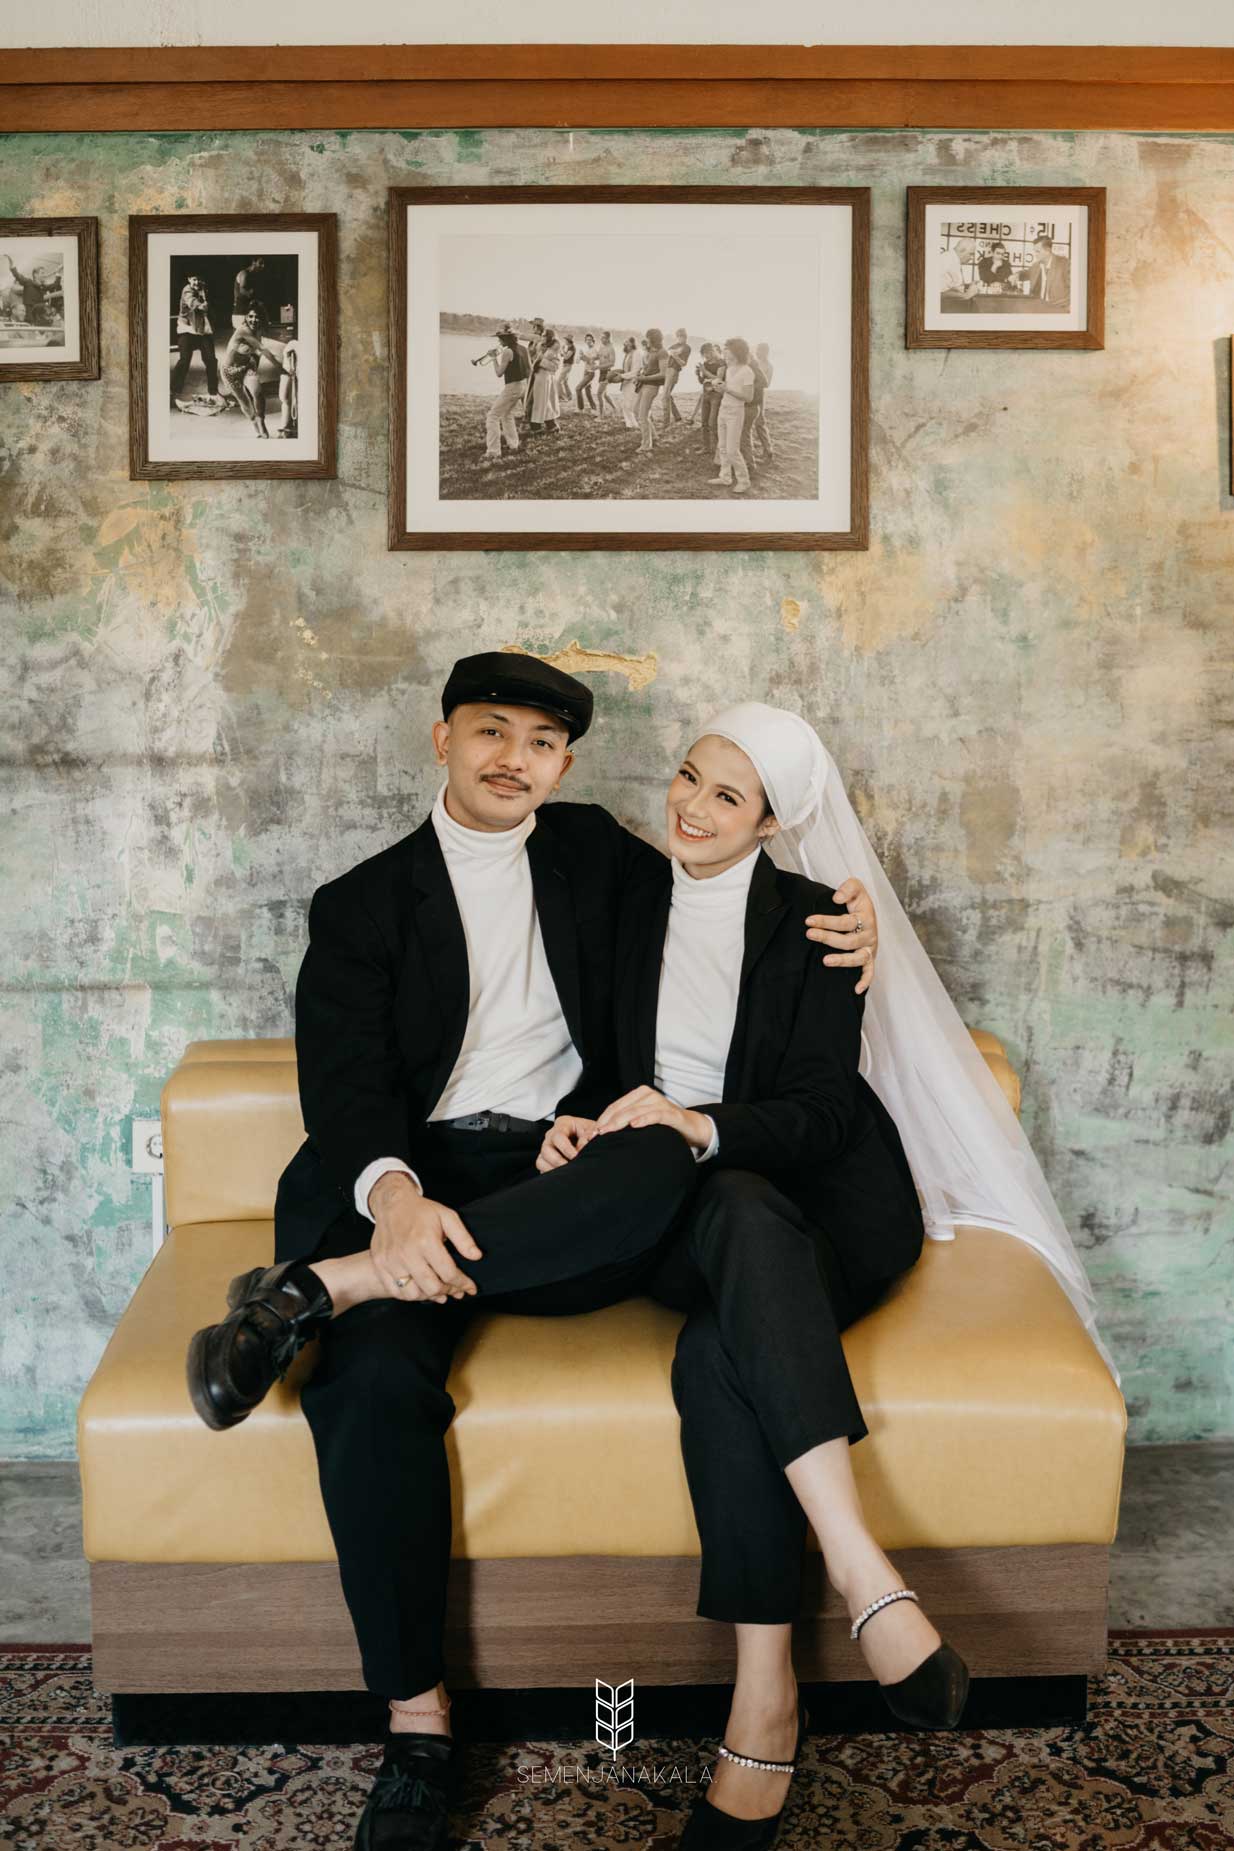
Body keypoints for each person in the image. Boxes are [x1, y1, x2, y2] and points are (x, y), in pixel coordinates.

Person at [184, 657, 883, 1851]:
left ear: (564, 765)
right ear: (442, 739)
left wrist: (846, 919)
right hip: (405, 1175)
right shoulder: (359, 905)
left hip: (565, 1181)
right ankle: (417, 1728)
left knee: (659, 1153)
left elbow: (731, 889)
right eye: (490, 731)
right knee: (367, 1380)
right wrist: (394, 1199)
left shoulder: (598, 854)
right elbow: (345, 1094)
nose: (515, 759)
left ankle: (310, 1295)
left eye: (543, 742)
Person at [545, 701, 1118, 1844]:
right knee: (725, 1235)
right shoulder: (623, 893)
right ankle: (870, 1587)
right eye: (688, 776)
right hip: (680, 1211)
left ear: (771, 824)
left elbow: (815, 1113)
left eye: (727, 797)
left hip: (822, 1205)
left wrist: (698, 1124)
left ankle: (767, 1699)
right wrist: (579, 1120)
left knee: (721, 1340)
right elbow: (602, 1056)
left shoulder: (818, 921)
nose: (691, 807)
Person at [220, 308, 288, 437]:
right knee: (244, 400)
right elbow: (263, 349)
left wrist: (255, 368)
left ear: (262, 319)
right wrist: (280, 368)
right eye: (250, 316)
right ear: (246, 317)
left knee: (258, 392)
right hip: (230, 371)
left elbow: (259, 352)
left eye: (257, 317)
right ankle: (255, 423)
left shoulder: (258, 330)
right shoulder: (243, 330)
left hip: (247, 366)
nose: (253, 320)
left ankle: (261, 420)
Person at [713, 335, 755, 493]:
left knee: (732, 450)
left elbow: (748, 397)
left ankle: (744, 481)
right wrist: (719, 387)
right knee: (722, 447)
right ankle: (725, 477)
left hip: (736, 412)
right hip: (723, 409)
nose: (725, 353)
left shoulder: (747, 371)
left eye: (728, 350)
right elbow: (728, 390)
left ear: (737, 352)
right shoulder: (729, 368)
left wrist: (727, 389)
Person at [170, 273, 219, 406]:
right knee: (184, 360)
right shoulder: (187, 290)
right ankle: (174, 391)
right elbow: (191, 301)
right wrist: (200, 305)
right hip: (187, 330)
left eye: (199, 279)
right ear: (189, 279)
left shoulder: (203, 289)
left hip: (202, 330)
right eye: (194, 279)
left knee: (211, 360)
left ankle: (213, 392)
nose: (197, 282)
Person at [481, 326, 529, 462]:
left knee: (492, 416)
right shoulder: (523, 348)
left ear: (505, 339)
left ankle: (493, 451)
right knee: (507, 414)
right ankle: (513, 444)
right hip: (523, 385)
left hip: (513, 387)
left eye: (500, 338)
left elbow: (499, 373)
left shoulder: (507, 351)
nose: (498, 341)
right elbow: (529, 369)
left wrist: (493, 358)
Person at [635, 327, 667, 452]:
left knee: (642, 416)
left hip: (651, 386)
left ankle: (646, 445)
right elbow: (649, 369)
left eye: (648, 337)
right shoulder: (651, 351)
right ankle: (653, 435)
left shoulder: (662, 352)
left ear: (653, 339)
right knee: (636, 410)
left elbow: (663, 374)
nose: (646, 340)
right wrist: (641, 374)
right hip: (644, 384)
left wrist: (645, 378)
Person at [528, 327, 562, 434]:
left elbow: (555, 367)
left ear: (549, 337)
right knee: (540, 401)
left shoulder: (554, 350)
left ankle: (538, 426)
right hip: (537, 376)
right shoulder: (541, 347)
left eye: (544, 335)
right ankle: (549, 425)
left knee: (542, 402)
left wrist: (541, 361)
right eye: (542, 335)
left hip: (544, 378)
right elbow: (533, 357)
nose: (542, 337)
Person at [1023, 234, 1071, 305]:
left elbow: (1074, 292)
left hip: (1058, 308)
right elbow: (1026, 273)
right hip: (1038, 307)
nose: (1035, 254)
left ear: (1048, 250)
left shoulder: (1064, 264)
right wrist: (1016, 275)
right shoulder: (1036, 266)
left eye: (1038, 251)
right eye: (1035, 251)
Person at [695, 342, 724, 455]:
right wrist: (698, 374)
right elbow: (702, 381)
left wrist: (705, 372)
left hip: (716, 395)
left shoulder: (721, 363)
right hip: (706, 394)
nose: (706, 355)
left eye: (708, 352)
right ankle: (706, 447)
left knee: (713, 423)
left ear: (713, 351)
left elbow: (719, 379)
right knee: (704, 423)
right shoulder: (705, 364)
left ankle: (718, 449)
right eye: (704, 353)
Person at [661, 326, 692, 426]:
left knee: (665, 396)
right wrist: (672, 353)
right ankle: (677, 416)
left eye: (682, 336)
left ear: (686, 337)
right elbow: (666, 355)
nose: (681, 338)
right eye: (679, 336)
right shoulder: (673, 346)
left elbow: (683, 363)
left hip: (674, 371)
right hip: (666, 370)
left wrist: (675, 356)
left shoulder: (687, 348)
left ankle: (666, 422)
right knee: (667, 395)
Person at [750, 341, 775, 461]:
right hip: (748, 393)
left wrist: (752, 384)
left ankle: (768, 450)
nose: (757, 352)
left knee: (759, 422)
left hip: (759, 395)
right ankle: (750, 450)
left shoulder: (769, 366)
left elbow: (767, 384)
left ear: (766, 352)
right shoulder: (754, 362)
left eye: (760, 350)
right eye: (757, 350)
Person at [232, 255, 266, 331]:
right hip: (240, 312)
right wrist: (254, 299)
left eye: (263, 263)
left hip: (246, 312)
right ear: (254, 262)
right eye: (260, 263)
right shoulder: (244, 273)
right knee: (241, 336)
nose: (263, 266)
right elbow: (242, 291)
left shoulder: (252, 275)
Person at [938, 235, 978, 299]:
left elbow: (952, 285)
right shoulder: (946, 260)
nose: (972, 258)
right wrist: (965, 295)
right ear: (962, 250)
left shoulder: (953, 259)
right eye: (971, 254)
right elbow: (938, 292)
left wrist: (969, 286)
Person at [276, 335, 299, 438]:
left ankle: (294, 425)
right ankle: (285, 426)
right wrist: (289, 366)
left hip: (301, 374)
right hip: (289, 372)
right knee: (284, 398)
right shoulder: (293, 344)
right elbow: (287, 353)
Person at [618, 335, 641, 427]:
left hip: (633, 381)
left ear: (632, 343)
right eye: (625, 342)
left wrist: (622, 376)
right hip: (625, 381)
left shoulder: (637, 353)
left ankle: (634, 424)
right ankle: (629, 424)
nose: (625, 343)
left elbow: (635, 371)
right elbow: (625, 369)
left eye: (627, 341)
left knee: (630, 404)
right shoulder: (627, 354)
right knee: (624, 403)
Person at [594, 330, 616, 414]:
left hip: (607, 372)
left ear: (608, 338)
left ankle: (601, 415)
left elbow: (612, 363)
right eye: (601, 337)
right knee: (605, 394)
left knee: (599, 394)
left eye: (603, 338)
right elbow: (598, 357)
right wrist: (588, 358)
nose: (601, 339)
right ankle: (615, 409)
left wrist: (598, 367)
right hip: (601, 372)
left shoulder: (611, 348)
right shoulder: (601, 347)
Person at [574, 332, 598, 412]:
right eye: (587, 340)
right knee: (588, 391)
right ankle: (594, 408)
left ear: (593, 341)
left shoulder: (594, 350)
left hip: (591, 373)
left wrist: (583, 356)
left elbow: (591, 362)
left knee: (578, 389)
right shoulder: (587, 349)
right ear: (585, 341)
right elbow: (578, 361)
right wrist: (580, 357)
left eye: (590, 340)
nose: (588, 341)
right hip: (586, 371)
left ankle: (580, 408)